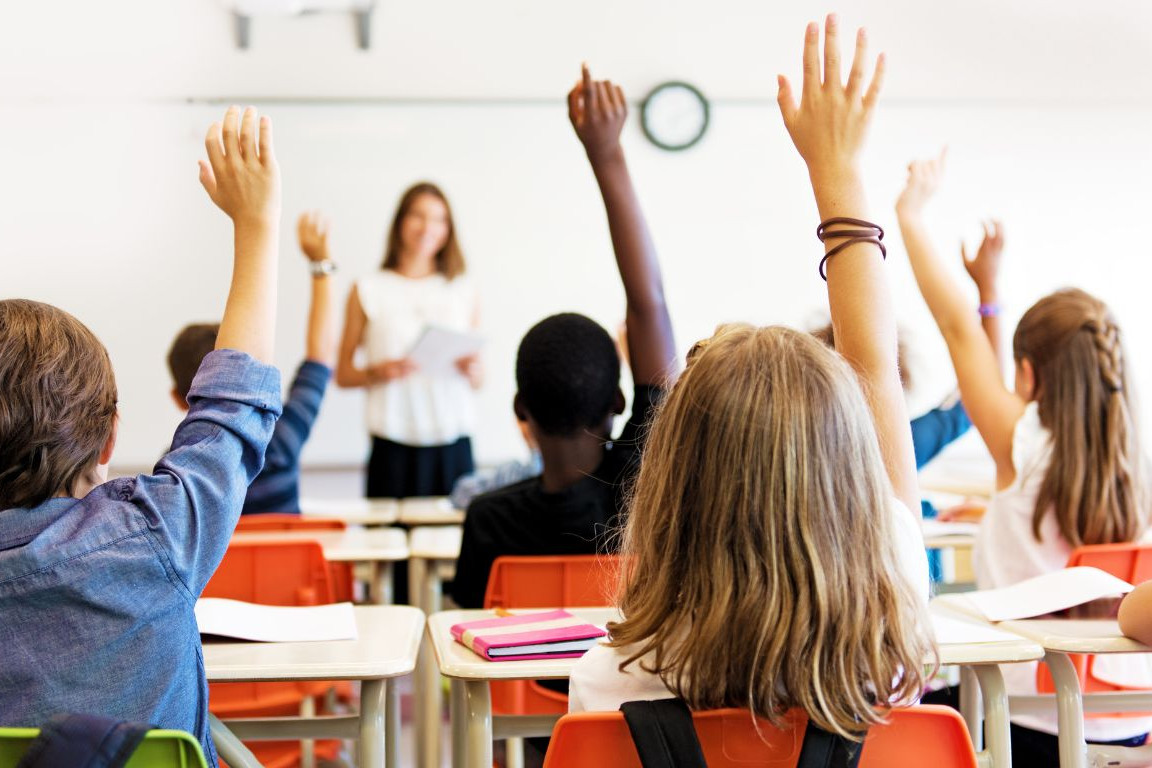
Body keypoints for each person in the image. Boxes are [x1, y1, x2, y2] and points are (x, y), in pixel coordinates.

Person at [568, 18, 933, 741]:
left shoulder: (612, 680)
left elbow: (873, 379)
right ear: (848, 467)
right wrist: (838, 172)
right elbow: (877, 378)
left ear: (672, 480)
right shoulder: (893, 648)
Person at [0, 106, 282, 766]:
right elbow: (233, 409)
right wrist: (257, 224)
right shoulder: (154, 536)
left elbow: (231, 407)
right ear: (108, 441)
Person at [898, 149, 1149, 764]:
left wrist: (911, 215)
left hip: (1028, 724)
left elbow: (958, 331)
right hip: (1130, 722)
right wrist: (991, 288)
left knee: (909, 706)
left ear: (1030, 374)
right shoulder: (1135, 465)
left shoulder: (1023, 444)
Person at [450, 64, 678, 610]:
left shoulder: (488, 519)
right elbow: (649, 304)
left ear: (520, 410)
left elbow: (468, 642)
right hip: (627, 697)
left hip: (524, 700)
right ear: (619, 402)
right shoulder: (643, 496)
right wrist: (607, 154)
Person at [166, 210, 337, 515]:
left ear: (179, 399)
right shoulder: (281, 442)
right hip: (287, 566)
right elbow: (320, 357)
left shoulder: (175, 471)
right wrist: (320, 266)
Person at [335, 182, 481, 499]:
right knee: (388, 543)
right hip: (393, 443)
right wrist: (378, 372)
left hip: (453, 440)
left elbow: (479, 379)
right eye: (418, 215)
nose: (428, 227)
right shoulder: (368, 288)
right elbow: (343, 374)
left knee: (454, 543)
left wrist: (474, 371)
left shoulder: (461, 289)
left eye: (439, 219)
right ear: (401, 221)